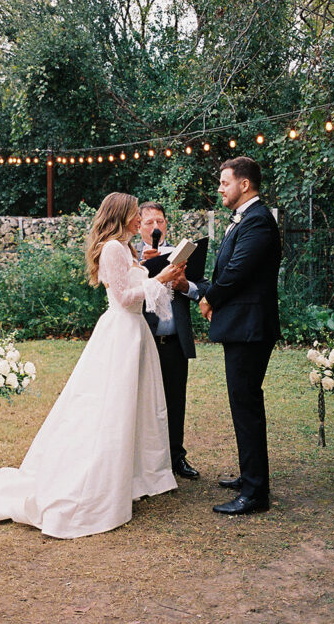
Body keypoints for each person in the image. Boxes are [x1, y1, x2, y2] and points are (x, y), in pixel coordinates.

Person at [0, 193, 187, 539]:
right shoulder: (113, 249)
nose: (139, 219)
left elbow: (137, 290)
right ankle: (98, 479)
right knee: (111, 407)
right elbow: (124, 298)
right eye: (134, 214)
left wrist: (162, 274)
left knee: (137, 407)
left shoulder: (128, 249)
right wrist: (158, 280)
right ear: (122, 215)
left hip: (136, 334)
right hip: (120, 334)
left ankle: (134, 475)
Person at [199, 157, 282, 515]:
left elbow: (237, 271)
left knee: (246, 406)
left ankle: (255, 493)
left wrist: (210, 296)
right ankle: (251, 477)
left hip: (250, 328)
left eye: (225, 182)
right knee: (243, 404)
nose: (220, 188)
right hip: (241, 327)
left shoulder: (259, 221)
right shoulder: (246, 219)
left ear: (244, 185)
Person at [136, 202, 208, 480]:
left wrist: (184, 285)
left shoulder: (181, 254)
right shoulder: (131, 256)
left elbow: (203, 287)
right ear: (138, 226)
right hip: (144, 340)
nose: (156, 227)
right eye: (149, 222)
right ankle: (145, 460)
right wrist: (146, 270)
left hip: (175, 340)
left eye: (161, 221)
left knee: (176, 401)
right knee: (144, 402)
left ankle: (176, 457)